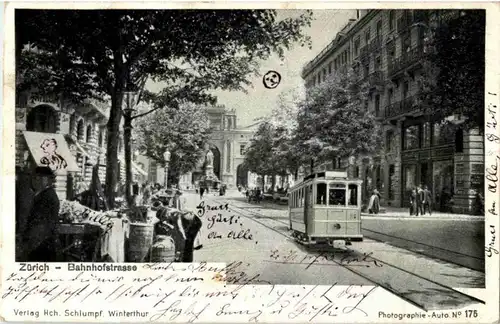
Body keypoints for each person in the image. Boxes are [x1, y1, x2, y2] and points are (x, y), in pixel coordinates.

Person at [17, 167, 60, 262]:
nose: (36, 181)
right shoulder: (41, 195)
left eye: (40, 178)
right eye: (34, 178)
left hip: (42, 246)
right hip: (40, 244)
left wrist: (27, 246)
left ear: (49, 180)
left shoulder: (47, 197)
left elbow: (40, 226)